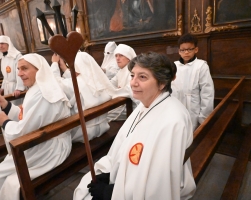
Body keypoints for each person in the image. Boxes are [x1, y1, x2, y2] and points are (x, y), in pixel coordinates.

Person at [74, 52, 196, 200]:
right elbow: (126, 146)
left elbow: (158, 182)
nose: (133, 82)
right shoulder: (145, 105)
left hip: (142, 192)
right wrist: (111, 174)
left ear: (162, 83)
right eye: (132, 76)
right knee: (83, 188)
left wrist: (110, 193)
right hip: (129, 179)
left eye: (142, 77)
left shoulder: (172, 121)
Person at [0, 53, 72, 200]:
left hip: (48, 149)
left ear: (39, 69)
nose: (19, 73)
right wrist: (5, 104)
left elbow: (22, 132)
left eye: (24, 68)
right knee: (4, 173)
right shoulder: (40, 87)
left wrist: (5, 122)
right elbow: (27, 119)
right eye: (18, 69)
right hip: (44, 141)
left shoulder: (41, 93)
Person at [51, 52, 113, 142]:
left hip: (83, 133)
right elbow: (79, 80)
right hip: (103, 127)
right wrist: (64, 68)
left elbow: (54, 84)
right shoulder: (99, 80)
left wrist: (54, 64)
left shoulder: (75, 84)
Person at [173, 33, 214, 130]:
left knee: (192, 131)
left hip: (193, 106)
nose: (186, 52)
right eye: (183, 50)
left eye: (189, 49)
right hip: (177, 104)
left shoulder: (201, 65)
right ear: (179, 51)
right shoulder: (174, 66)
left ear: (196, 49)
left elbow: (207, 92)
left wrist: (204, 116)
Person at [107, 43, 139, 122]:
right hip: (122, 103)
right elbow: (111, 84)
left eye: (121, 55)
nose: (117, 59)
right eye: (116, 56)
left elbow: (129, 90)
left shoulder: (132, 71)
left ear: (128, 58)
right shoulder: (122, 70)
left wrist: (115, 91)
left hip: (131, 107)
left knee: (103, 116)